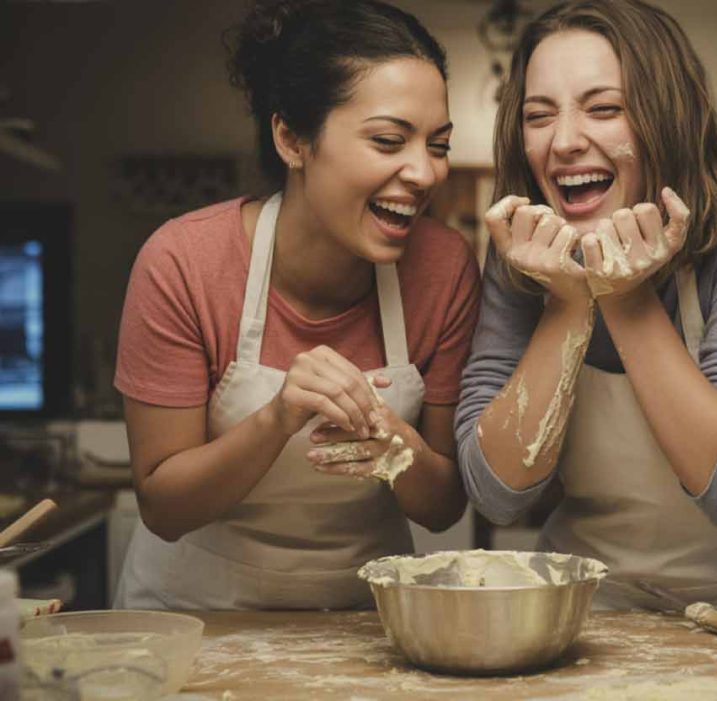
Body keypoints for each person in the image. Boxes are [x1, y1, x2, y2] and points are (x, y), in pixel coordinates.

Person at [456, 0, 717, 610]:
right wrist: (566, 305)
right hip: (584, 612)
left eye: (604, 109)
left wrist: (623, 296)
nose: (565, 142)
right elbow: (496, 494)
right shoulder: (523, 254)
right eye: (538, 116)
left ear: (669, 116)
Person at [114, 0, 479, 610]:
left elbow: (442, 509)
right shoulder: (185, 263)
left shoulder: (442, 270)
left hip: (365, 623)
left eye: (437, 145)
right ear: (292, 138)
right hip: (197, 618)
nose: (424, 172)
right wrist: (277, 417)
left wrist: (392, 440)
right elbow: (162, 507)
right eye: (389, 140)